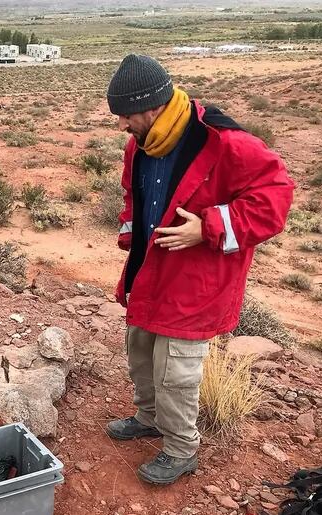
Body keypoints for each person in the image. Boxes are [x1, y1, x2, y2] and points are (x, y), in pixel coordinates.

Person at [104, 54, 294, 485]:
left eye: (126, 115)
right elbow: (133, 197)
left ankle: (181, 448)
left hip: (195, 281)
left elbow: (276, 198)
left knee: (176, 372)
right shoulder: (141, 144)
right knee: (141, 354)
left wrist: (208, 228)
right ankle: (149, 418)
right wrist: (130, 238)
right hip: (149, 272)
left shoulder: (224, 142)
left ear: (151, 107)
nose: (121, 126)